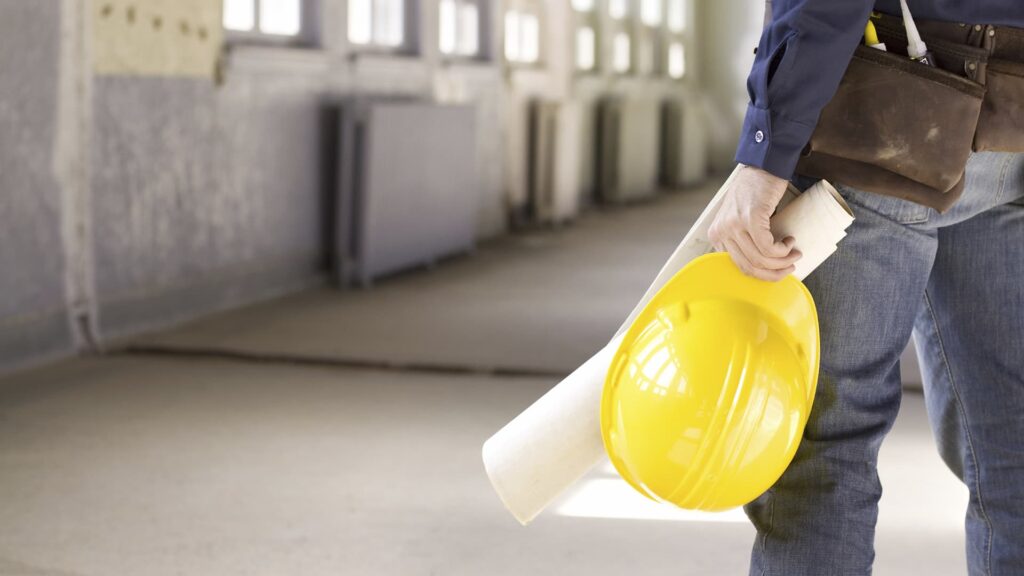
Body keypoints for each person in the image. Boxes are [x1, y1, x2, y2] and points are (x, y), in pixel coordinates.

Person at [707, 1, 1024, 575]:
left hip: (892, 116)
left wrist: (766, 149)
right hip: (1015, 127)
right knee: (1015, 445)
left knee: (827, 446)